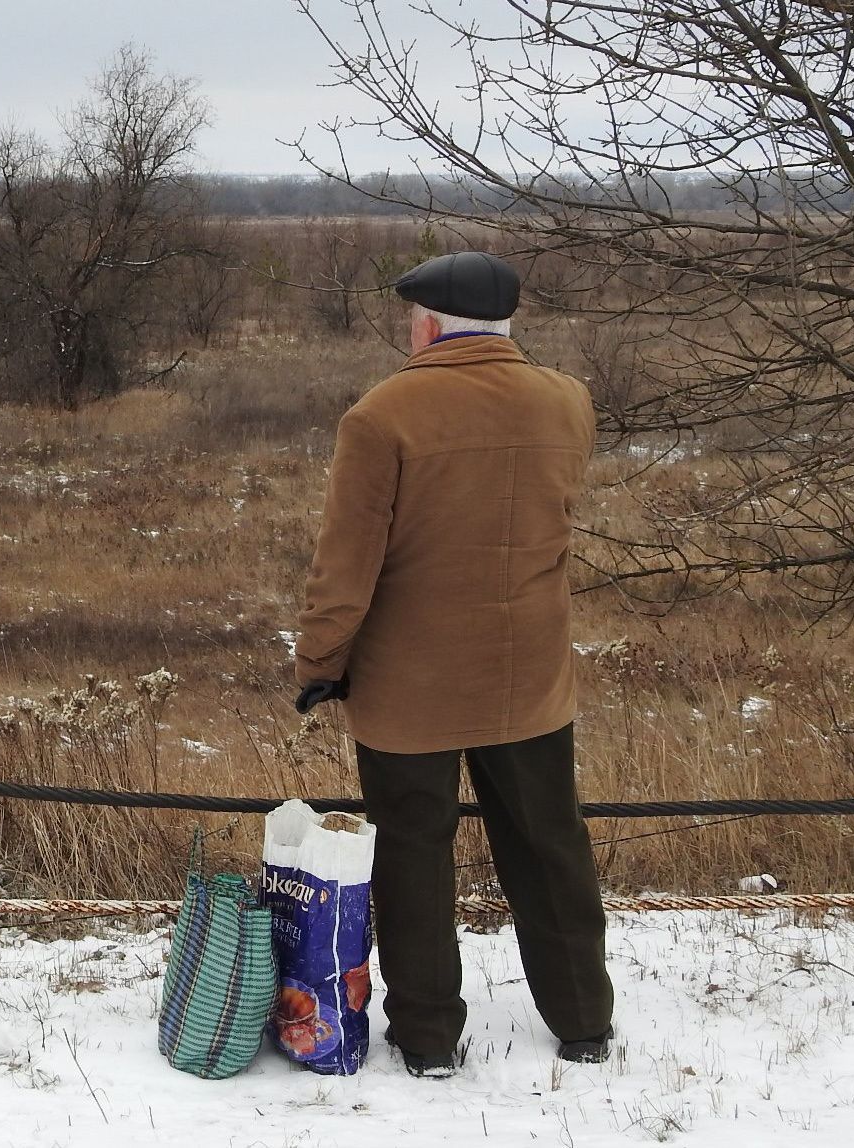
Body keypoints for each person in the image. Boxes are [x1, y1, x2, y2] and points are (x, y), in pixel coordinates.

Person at [292, 250, 614, 1079]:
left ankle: (429, 1038)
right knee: (550, 844)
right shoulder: (568, 402)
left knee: (413, 855)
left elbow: (346, 562)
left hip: (410, 685)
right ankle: (583, 1020)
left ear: (427, 323)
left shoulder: (382, 416)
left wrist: (320, 660)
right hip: (530, 674)